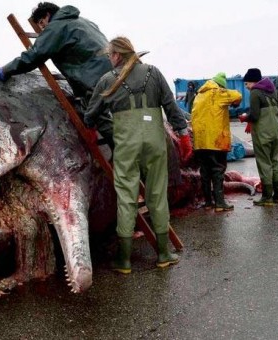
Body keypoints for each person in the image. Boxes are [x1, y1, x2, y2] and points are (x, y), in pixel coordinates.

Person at [84, 36, 192, 274]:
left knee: (127, 198)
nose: (109, 59)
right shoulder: (153, 73)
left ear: (117, 55)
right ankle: (164, 254)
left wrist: (91, 131)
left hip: (126, 146)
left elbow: (90, 115)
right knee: (157, 194)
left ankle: (124, 261)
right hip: (155, 143)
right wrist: (183, 136)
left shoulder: (106, 81)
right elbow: (172, 108)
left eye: (110, 55)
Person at [0, 2, 115, 148]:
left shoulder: (56, 27)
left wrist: (6, 70)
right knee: (120, 115)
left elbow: (34, 56)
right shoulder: (83, 21)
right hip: (115, 70)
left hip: (95, 76)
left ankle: (130, 160)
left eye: (42, 23)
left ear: (48, 15)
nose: (42, 27)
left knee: (100, 117)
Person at [191, 72, 242, 212]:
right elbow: (238, 95)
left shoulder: (199, 95)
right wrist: (235, 102)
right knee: (218, 171)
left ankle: (208, 202)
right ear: (220, 85)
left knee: (205, 172)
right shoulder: (218, 93)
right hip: (215, 141)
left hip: (200, 142)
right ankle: (220, 203)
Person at [238, 68, 278, 206]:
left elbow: (255, 115)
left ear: (253, 81)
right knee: (275, 162)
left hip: (262, 133)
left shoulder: (255, 92)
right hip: (275, 131)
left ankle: (267, 197)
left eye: (247, 84)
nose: (246, 87)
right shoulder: (272, 89)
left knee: (264, 163)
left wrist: (245, 118)